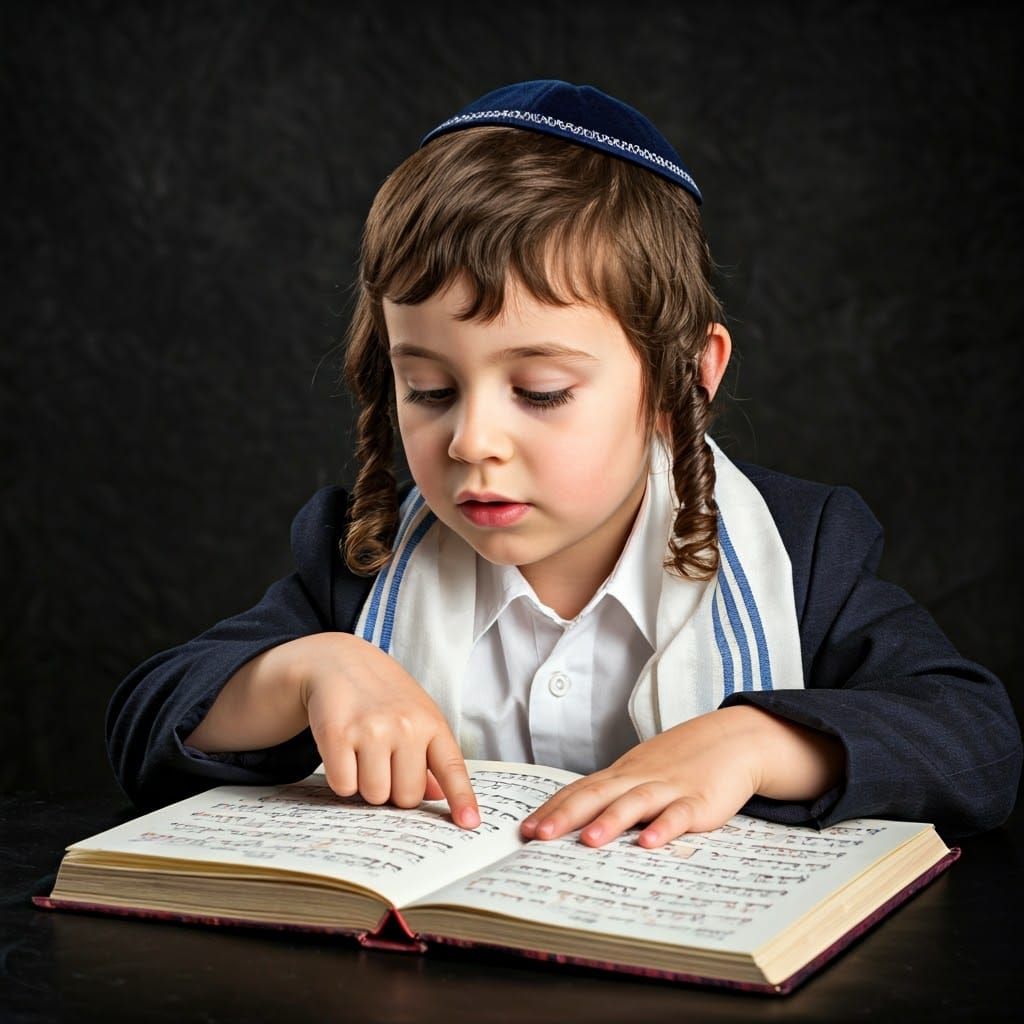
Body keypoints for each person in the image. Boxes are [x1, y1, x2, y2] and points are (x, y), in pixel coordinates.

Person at [107, 80, 1021, 848]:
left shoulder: (804, 552)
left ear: (682, 383)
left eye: (541, 390)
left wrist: (754, 742)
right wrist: (304, 673)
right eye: (427, 389)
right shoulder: (361, 558)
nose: (471, 442)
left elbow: (977, 738)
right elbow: (146, 721)